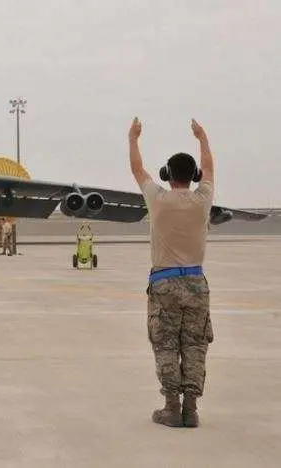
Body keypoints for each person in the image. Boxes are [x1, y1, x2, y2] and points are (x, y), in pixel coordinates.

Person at [128, 117, 215, 428]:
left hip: (163, 282)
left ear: (167, 175)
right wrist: (202, 137)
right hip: (195, 282)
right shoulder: (203, 199)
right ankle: (190, 409)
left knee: (165, 343)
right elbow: (209, 166)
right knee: (194, 344)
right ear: (193, 176)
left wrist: (133, 138)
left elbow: (138, 170)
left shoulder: (159, 200)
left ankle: (170, 407)